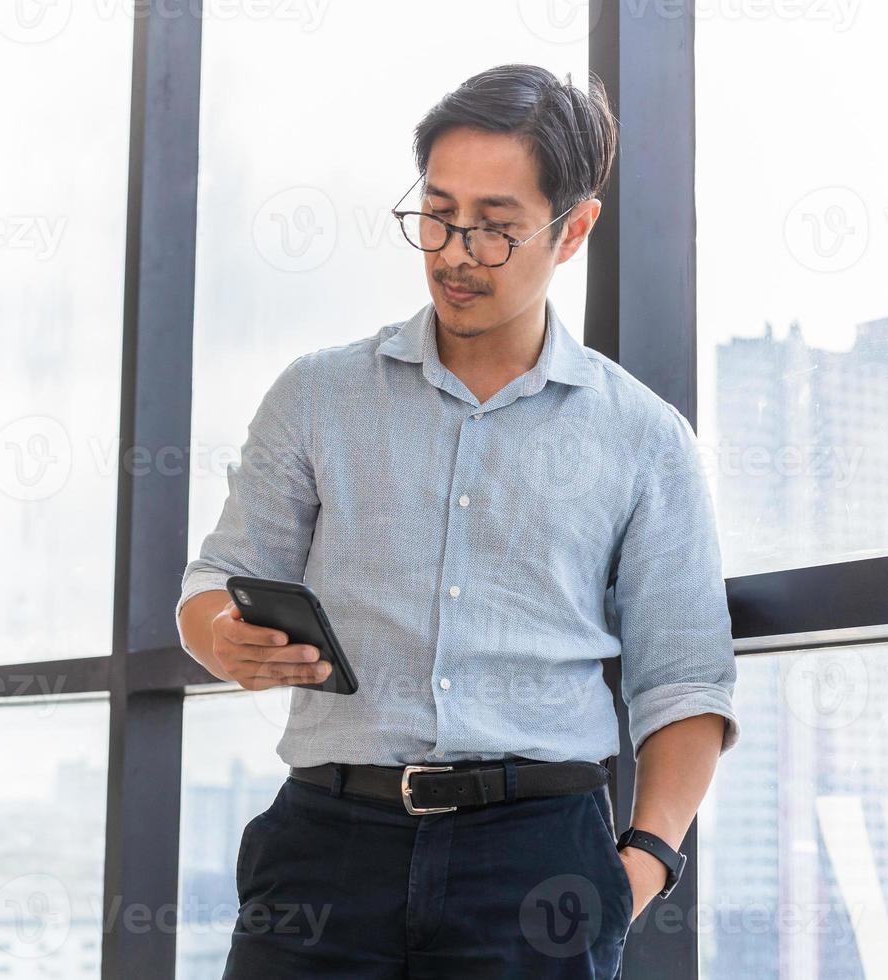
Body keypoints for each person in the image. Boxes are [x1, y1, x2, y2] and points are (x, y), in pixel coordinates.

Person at [175, 63, 739, 978]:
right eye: (435, 214)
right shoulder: (318, 395)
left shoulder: (645, 438)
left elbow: (685, 683)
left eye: (495, 227)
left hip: (538, 861)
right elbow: (215, 579)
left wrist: (640, 868)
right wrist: (223, 637)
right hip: (326, 846)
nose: (454, 250)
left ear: (574, 229)